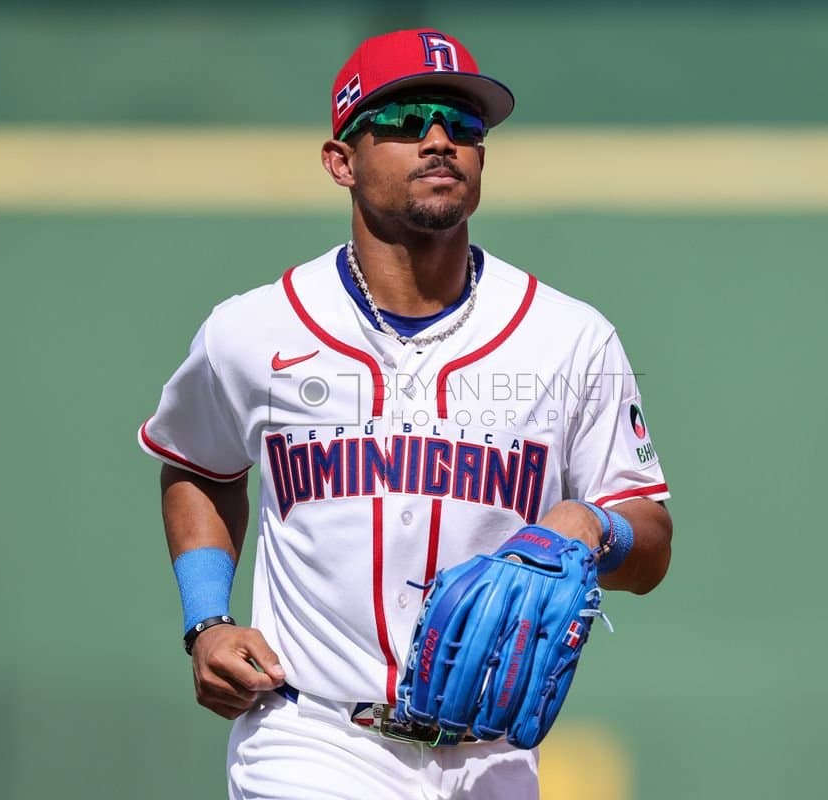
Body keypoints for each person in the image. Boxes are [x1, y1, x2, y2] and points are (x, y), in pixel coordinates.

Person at [138, 27, 673, 800]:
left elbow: (649, 540)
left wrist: (596, 527)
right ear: (340, 160)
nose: (439, 140)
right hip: (311, 735)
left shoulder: (570, 336)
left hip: (490, 755)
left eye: (463, 126)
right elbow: (196, 463)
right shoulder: (252, 331)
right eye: (404, 119)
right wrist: (205, 622)